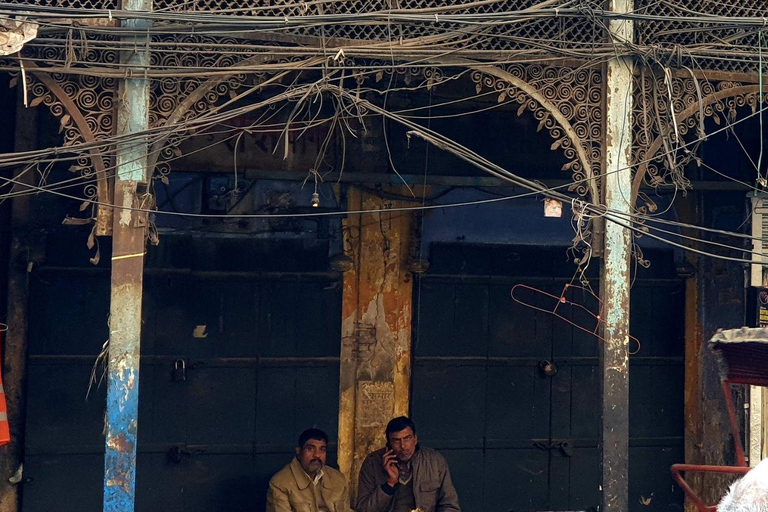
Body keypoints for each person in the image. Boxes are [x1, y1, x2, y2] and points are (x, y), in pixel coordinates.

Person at [356, 416, 460, 512]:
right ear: (389, 444)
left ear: (415, 439)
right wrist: (389, 484)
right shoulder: (372, 463)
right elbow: (363, 509)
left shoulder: (434, 461)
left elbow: (450, 506)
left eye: (407, 438)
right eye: (396, 441)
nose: (403, 446)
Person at [267, 428, 353, 512]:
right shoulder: (280, 484)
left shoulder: (337, 479)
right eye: (310, 449)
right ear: (299, 451)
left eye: (322, 450)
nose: (317, 455)